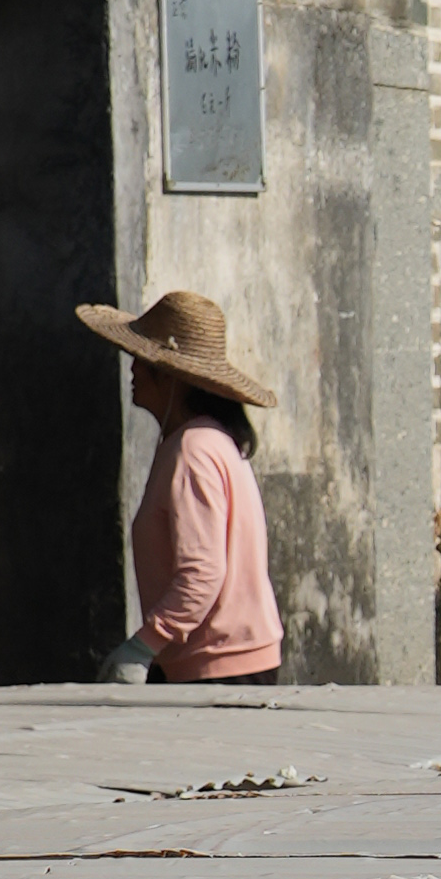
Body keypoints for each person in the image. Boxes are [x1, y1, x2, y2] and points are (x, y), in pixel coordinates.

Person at [76, 281, 283, 683]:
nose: (133, 369)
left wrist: (144, 645)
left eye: (142, 361)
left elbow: (201, 573)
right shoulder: (206, 442)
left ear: (171, 377)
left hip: (219, 667)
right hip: (224, 661)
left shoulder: (194, 449)